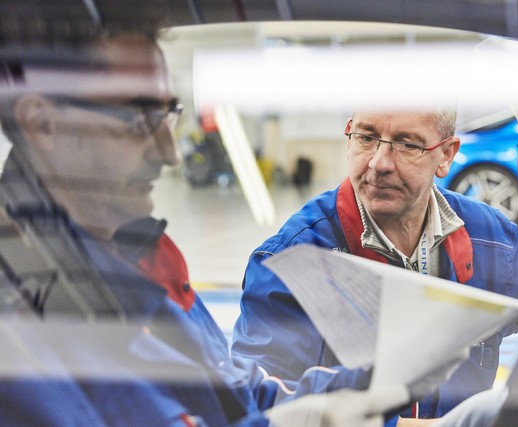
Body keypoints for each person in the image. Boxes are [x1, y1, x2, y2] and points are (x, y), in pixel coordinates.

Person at [0, 26, 418, 426]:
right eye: (138, 121)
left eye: (166, 116)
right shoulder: (23, 331)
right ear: (42, 124)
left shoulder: (138, 260)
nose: (169, 154)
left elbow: (238, 396)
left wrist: (378, 384)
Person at [232, 110, 518, 424]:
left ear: (445, 155)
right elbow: (254, 408)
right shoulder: (291, 263)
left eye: (407, 144)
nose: (379, 163)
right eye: (366, 137)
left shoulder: (491, 240)